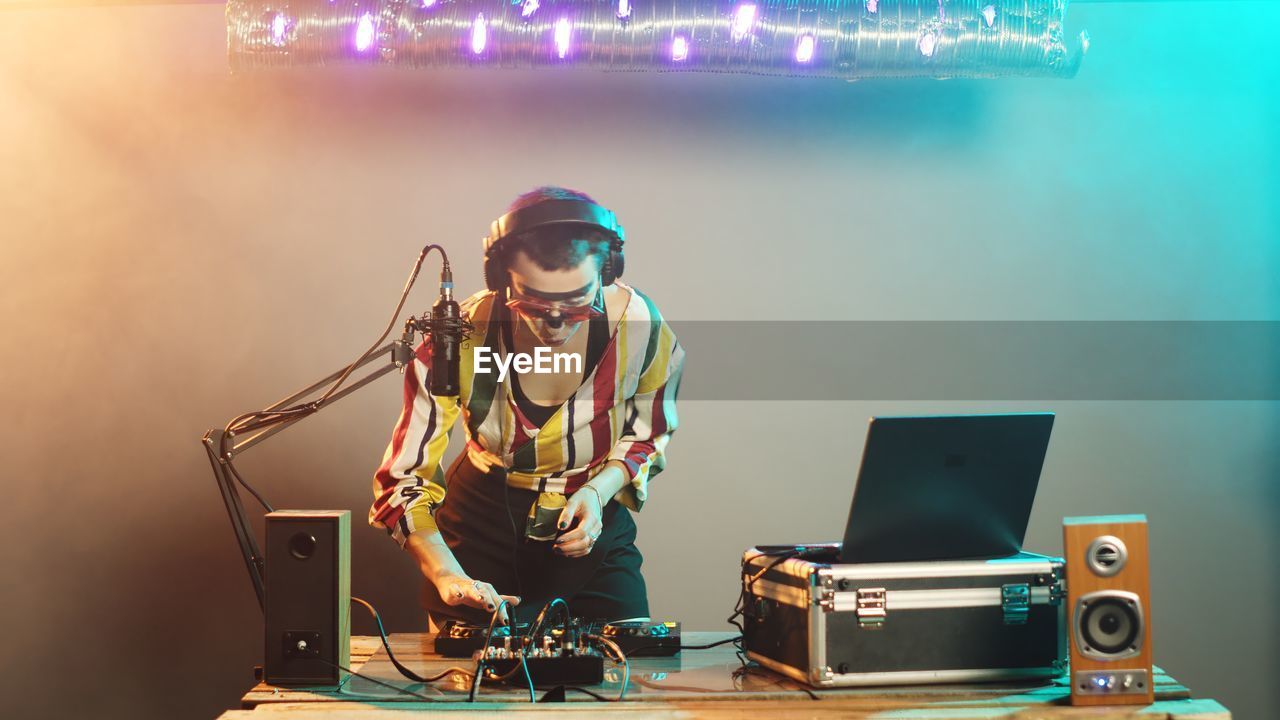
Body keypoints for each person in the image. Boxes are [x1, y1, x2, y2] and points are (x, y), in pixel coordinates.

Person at [369, 186, 684, 629]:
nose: (554, 323)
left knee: (625, 669)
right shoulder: (455, 338)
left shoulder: (641, 329)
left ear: (607, 272)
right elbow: (403, 478)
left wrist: (597, 494)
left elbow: (646, 434)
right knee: (460, 683)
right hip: (476, 533)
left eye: (577, 305)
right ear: (501, 278)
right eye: (533, 305)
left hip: (593, 529)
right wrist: (446, 572)